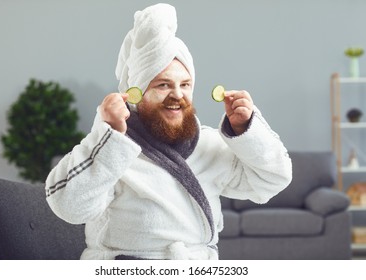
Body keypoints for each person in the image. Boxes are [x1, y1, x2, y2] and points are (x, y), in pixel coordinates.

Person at [45, 3, 292, 260]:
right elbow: (68, 206)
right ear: (136, 94)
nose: (177, 95)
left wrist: (245, 128)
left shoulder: (209, 145)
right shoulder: (116, 149)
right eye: (163, 84)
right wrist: (110, 135)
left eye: (185, 84)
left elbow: (274, 180)